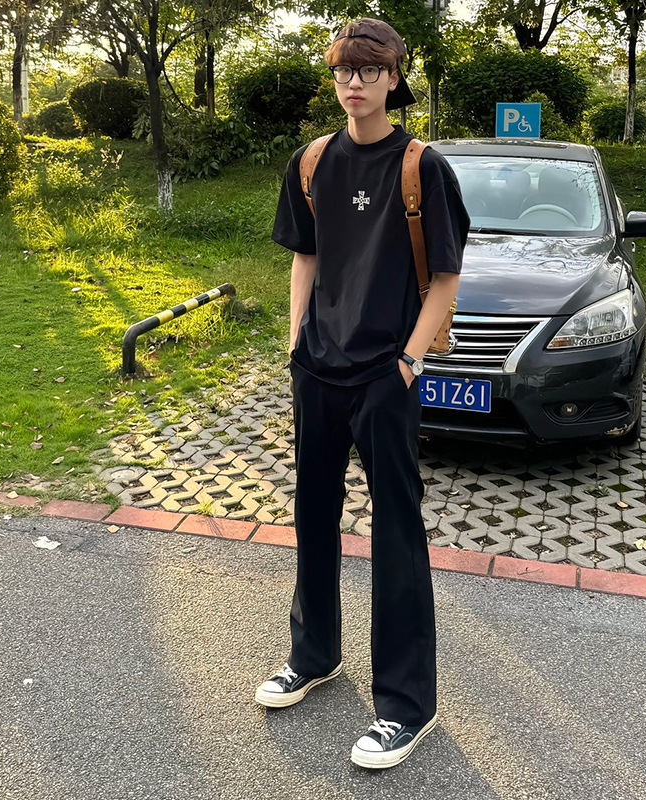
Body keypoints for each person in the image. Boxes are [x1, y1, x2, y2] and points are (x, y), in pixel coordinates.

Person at [255, 17, 471, 770]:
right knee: (312, 515)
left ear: (393, 78)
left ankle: (406, 707)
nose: (355, 82)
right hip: (318, 371)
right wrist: (296, 343)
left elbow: (445, 278)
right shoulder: (312, 161)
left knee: (396, 534)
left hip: (386, 375)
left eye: (369, 70)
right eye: (345, 69)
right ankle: (313, 655)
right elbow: (305, 258)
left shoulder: (421, 167)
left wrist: (408, 363)